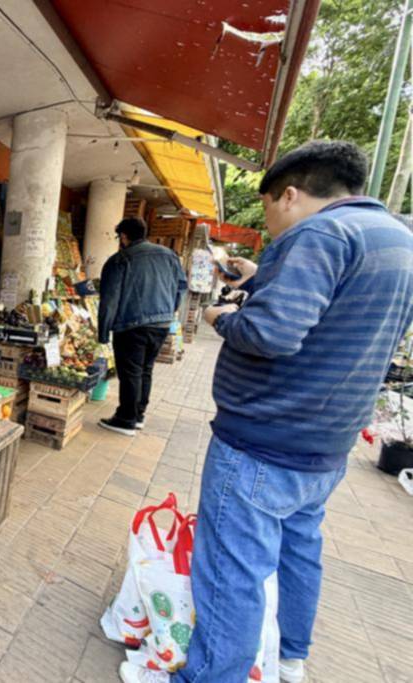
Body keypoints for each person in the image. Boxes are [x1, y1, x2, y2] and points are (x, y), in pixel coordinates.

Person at [118, 141, 413, 683]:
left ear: (292, 194)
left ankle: (210, 675)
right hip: (327, 444)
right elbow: (339, 317)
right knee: (300, 550)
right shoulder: (399, 241)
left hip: (264, 437)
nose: (274, 223)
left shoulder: (322, 234)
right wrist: (258, 279)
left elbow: (271, 333)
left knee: (231, 569)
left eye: (271, 208)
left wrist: (218, 317)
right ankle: (289, 659)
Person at [97, 217, 187, 436]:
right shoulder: (169, 255)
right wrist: (169, 311)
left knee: (131, 372)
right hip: (162, 323)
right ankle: (138, 415)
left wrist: (103, 333)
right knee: (146, 369)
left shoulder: (120, 260)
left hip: (131, 324)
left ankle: (126, 419)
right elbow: (181, 287)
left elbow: (109, 299)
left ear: (124, 236)